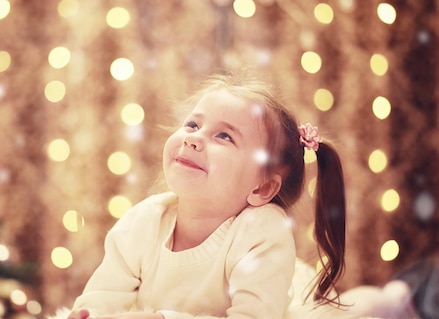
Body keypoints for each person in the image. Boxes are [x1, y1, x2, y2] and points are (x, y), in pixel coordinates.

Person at [61, 72, 350, 319]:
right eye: (192, 125)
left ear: (261, 188)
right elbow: (103, 294)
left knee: (367, 305)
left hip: (286, 292)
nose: (193, 138)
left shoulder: (263, 232)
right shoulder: (144, 220)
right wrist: (90, 313)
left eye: (224, 136)